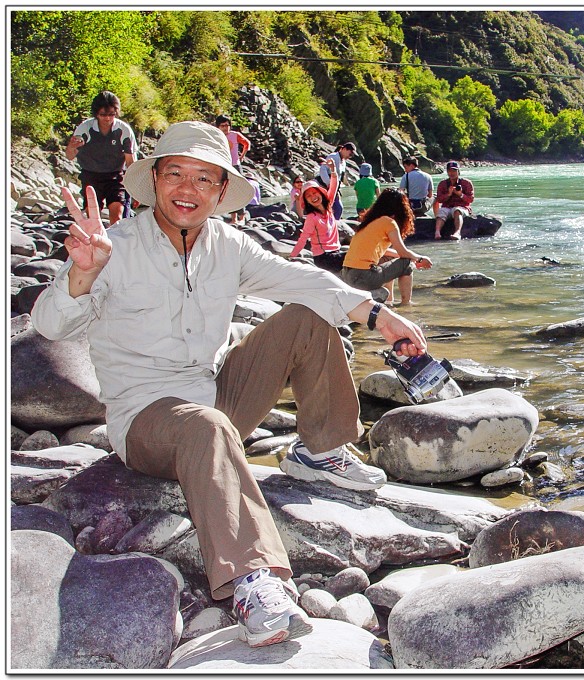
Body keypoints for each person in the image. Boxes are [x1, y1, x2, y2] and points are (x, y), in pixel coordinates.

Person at [31, 121, 429, 649]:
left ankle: (322, 451)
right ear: (154, 180)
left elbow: (304, 279)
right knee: (207, 427)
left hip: (215, 396)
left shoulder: (228, 244)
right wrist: (82, 272)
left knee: (305, 316)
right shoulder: (114, 247)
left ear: (221, 191)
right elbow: (49, 326)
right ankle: (253, 580)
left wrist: (379, 314)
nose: (188, 189)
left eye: (204, 178)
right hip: (147, 419)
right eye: (175, 173)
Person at [341, 188, 433, 306]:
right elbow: (403, 253)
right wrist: (419, 259)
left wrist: (410, 257)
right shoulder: (389, 222)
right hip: (363, 277)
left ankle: (389, 301)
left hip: (348, 275)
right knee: (406, 263)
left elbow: (383, 252)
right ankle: (406, 304)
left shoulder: (371, 222)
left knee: (389, 259)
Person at [65, 91, 137, 226]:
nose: (107, 118)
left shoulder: (123, 130)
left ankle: (115, 238)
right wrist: (71, 146)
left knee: (117, 216)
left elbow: (130, 162)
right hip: (90, 176)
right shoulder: (85, 128)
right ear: (96, 114)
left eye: (111, 114)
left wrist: (135, 189)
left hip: (115, 176)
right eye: (103, 115)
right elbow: (69, 156)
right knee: (93, 217)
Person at [289, 158, 345, 273]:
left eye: (315, 193)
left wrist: (333, 170)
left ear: (321, 193)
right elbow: (303, 239)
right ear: (306, 201)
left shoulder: (328, 207)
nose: (313, 197)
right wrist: (292, 257)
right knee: (354, 256)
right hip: (324, 257)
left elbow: (333, 187)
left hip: (336, 252)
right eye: (308, 196)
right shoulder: (312, 217)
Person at [433, 160, 474, 240]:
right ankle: (437, 232)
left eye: (454, 171)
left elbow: (470, 199)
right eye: (449, 171)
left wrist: (460, 194)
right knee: (441, 211)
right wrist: (448, 194)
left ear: (458, 171)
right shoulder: (442, 184)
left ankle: (457, 232)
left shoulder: (466, 183)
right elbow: (439, 199)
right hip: (447, 207)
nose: (452, 173)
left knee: (457, 210)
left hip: (462, 207)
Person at [318, 142, 356, 220]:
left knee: (338, 208)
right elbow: (323, 169)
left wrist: (337, 189)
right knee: (334, 208)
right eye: (350, 154)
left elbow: (340, 177)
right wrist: (328, 183)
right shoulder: (333, 156)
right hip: (325, 186)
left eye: (352, 155)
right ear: (344, 149)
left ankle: (333, 223)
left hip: (334, 188)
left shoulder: (343, 162)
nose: (350, 156)